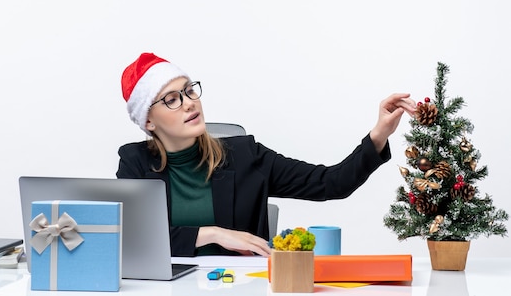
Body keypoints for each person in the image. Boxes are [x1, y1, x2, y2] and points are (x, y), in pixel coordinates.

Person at [117, 52, 416, 257]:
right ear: (148, 121)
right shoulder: (135, 163)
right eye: (172, 99)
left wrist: (379, 134)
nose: (189, 103)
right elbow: (131, 238)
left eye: (189, 91)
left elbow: (330, 183)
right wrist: (212, 233)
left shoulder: (245, 155)